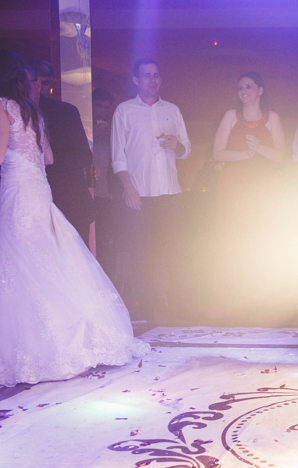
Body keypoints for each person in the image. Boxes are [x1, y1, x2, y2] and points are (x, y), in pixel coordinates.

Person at [0, 49, 147, 387]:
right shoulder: (34, 113)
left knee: (20, 264)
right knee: (46, 261)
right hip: (39, 192)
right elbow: (48, 158)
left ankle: (43, 346)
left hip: (18, 192)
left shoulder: (4, 107)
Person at [112, 58, 191, 323]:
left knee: (177, 250)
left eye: (156, 75)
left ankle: (181, 307)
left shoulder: (172, 109)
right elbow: (118, 156)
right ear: (136, 80)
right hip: (139, 194)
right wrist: (128, 188)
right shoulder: (124, 111)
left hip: (170, 192)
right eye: (147, 75)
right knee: (140, 253)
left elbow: (186, 149)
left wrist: (176, 144)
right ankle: (145, 310)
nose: (153, 80)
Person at [208, 71, 285, 325]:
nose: (243, 91)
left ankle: (261, 304)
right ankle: (229, 305)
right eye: (240, 87)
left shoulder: (272, 117)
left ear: (260, 91)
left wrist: (259, 149)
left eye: (249, 86)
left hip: (262, 190)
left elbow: (281, 156)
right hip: (233, 188)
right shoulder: (231, 116)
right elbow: (218, 153)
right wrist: (246, 155)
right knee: (232, 243)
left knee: (259, 243)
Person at [28, 58, 95, 247]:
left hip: (68, 200)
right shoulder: (11, 112)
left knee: (78, 262)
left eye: (45, 82)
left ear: (51, 84)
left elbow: (84, 156)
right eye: (36, 82)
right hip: (30, 202)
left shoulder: (65, 112)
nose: (39, 87)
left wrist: (47, 161)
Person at [92, 87, 122, 282]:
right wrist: (94, 132)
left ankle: (106, 280)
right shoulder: (82, 125)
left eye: (106, 107)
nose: (103, 110)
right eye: (99, 106)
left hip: (104, 193)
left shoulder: (113, 129)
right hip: (84, 191)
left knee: (104, 240)